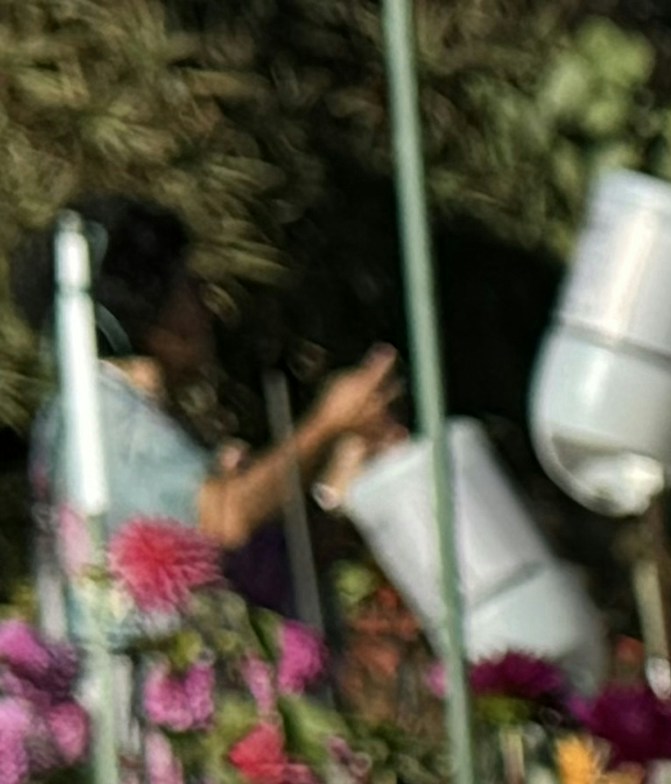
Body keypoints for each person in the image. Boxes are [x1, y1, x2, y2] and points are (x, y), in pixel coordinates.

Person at [17, 200, 398, 586]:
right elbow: (226, 518)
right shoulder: (110, 415)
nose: (208, 306)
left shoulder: (90, 411)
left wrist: (336, 467)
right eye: (189, 289)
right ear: (144, 315)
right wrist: (328, 422)